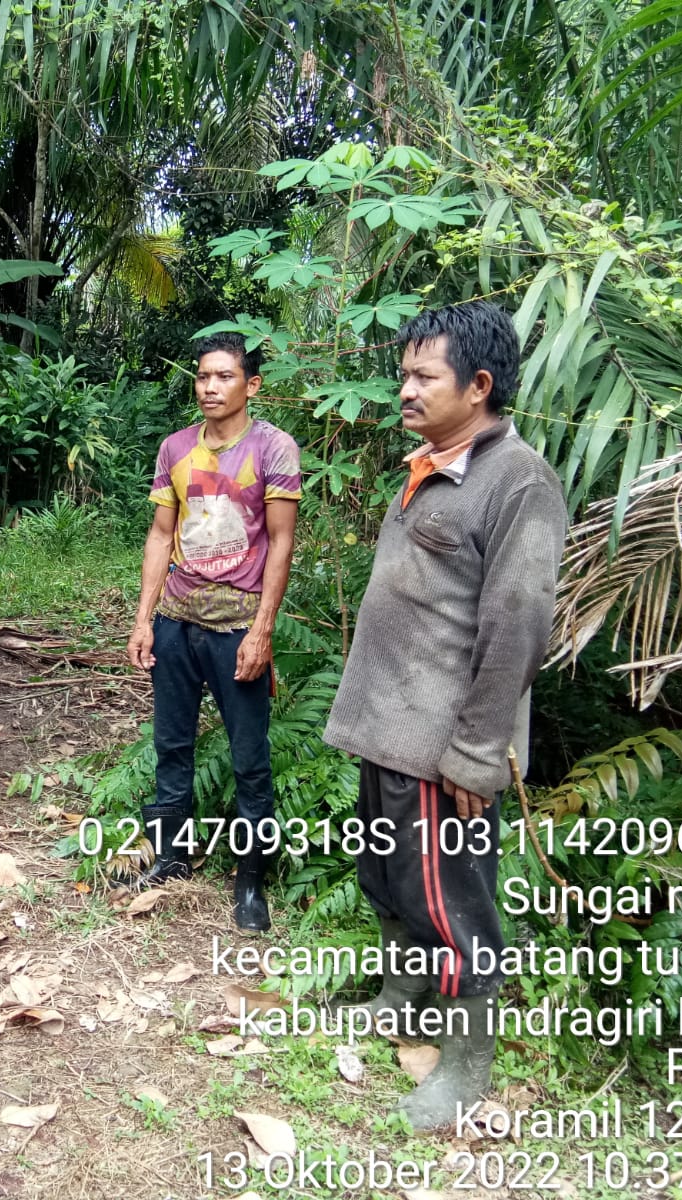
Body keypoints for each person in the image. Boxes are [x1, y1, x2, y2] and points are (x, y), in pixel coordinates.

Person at [323, 301, 567, 1130]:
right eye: (405, 374)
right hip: (388, 727)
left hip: (441, 749)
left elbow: (519, 623)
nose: (406, 389)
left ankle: (465, 1066)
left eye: (424, 375)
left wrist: (474, 750)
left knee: (454, 906)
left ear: (480, 384)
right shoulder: (435, 462)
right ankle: (400, 1000)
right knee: (391, 881)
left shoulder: (518, 481)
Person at [125, 332, 301, 932]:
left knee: (249, 756)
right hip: (177, 619)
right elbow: (158, 535)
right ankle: (170, 852)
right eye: (203, 376)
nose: (210, 387)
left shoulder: (273, 448)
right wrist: (143, 618)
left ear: (250, 384)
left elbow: (281, 541)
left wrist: (263, 630)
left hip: (236, 626)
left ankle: (251, 878)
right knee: (172, 744)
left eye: (224, 376)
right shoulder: (175, 447)